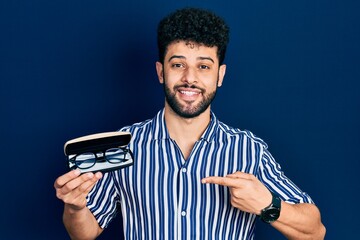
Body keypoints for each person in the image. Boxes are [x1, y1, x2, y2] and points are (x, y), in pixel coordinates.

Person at [54, 7, 326, 240]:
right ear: (161, 72)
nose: (190, 78)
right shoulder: (125, 143)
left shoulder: (248, 149)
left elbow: (315, 231)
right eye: (178, 65)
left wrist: (267, 204)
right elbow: (85, 233)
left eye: (204, 66)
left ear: (220, 75)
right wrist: (75, 207)